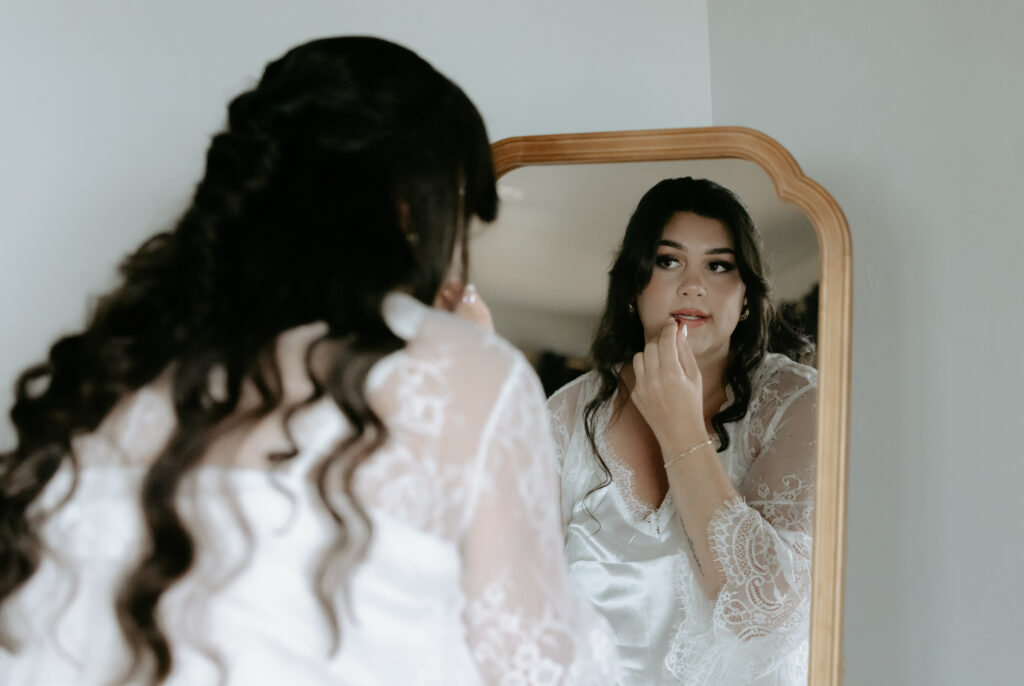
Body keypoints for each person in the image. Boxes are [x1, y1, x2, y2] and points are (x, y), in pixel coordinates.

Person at [0, 37, 616, 686]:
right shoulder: (464, 374)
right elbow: (538, 665)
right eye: (455, 218)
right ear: (411, 208)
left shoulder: (124, 364)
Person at [548, 177, 817, 686]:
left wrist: (680, 429)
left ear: (744, 298)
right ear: (634, 285)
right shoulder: (564, 415)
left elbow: (768, 618)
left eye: (719, 265)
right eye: (669, 261)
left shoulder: (795, 402)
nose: (693, 285)